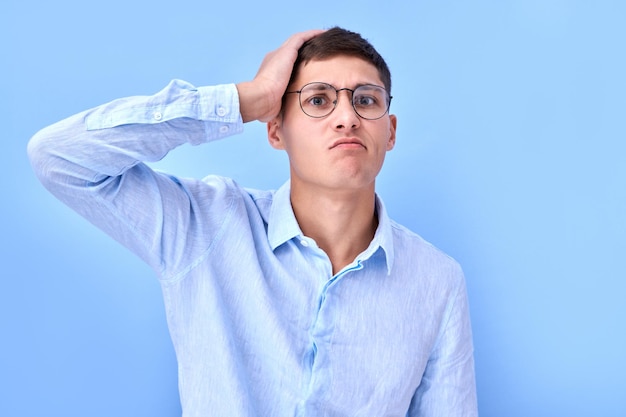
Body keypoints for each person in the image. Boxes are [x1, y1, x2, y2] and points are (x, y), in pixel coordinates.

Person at [28, 27, 478, 416]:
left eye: (366, 100)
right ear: (275, 131)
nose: (347, 118)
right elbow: (57, 158)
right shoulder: (205, 226)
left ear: (391, 131)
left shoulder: (437, 280)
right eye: (318, 100)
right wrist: (249, 98)